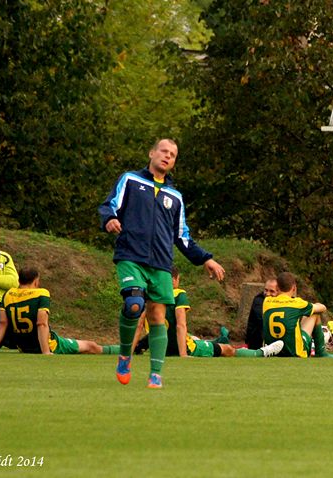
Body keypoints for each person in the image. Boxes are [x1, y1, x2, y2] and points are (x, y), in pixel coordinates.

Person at [98, 138, 226, 389]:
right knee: (134, 305)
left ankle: (155, 373)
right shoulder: (131, 180)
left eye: (173, 155)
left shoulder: (175, 196)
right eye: (164, 151)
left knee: (157, 315)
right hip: (131, 256)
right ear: (152, 153)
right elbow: (108, 205)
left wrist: (205, 259)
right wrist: (109, 220)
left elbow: (182, 236)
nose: (167, 156)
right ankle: (125, 356)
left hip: (161, 264)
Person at [132, 267, 283, 358]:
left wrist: (130, 350)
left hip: (159, 350)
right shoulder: (178, 294)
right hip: (185, 348)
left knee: (191, 337)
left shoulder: (149, 296)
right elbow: (180, 325)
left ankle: (219, 338)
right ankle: (262, 352)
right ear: (175, 279)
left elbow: (139, 326)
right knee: (228, 350)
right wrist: (184, 355)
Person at [0, 267, 118, 355]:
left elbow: (3, 324)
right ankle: (128, 349)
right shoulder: (41, 293)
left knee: (89, 346)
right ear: (36, 281)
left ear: (19, 280)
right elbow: (41, 323)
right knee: (91, 346)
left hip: (23, 347)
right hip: (47, 344)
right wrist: (46, 351)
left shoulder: (8, 294)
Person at [262, 272, 332, 358]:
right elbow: (322, 308)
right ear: (294, 288)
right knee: (315, 313)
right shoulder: (297, 303)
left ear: (277, 288)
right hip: (294, 352)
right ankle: (321, 352)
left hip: (272, 351)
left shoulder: (266, 302)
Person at [245, 278, 279, 350]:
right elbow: (264, 319)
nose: (268, 294)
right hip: (257, 342)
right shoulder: (259, 300)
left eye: (272, 291)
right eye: (266, 290)